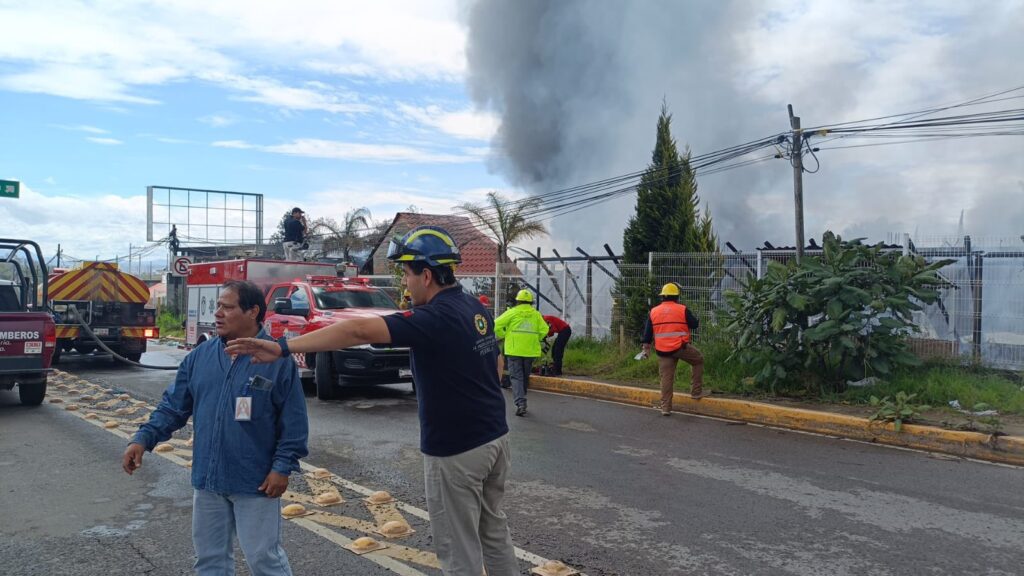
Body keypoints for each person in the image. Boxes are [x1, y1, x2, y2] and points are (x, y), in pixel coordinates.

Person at [224, 225, 519, 576]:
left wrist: (283, 347)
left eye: (407, 275)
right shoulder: (473, 306)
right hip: (495, 439)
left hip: (457, 449)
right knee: (493, 530)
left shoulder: (434, 317)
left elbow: (358, 331)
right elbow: (496, 363)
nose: (405, 284)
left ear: (426, 275)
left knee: (458, 550)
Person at [122, 280, 309, 575]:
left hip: (255, 482)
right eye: (218, 306)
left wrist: (282, 467)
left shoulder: (276, 361)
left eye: (227, 307)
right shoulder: (200, 357)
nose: (218, 313)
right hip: (208, 479)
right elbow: (174, 406)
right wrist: (143, 438)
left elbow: (294, 422)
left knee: (263, 559)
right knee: (209, 561)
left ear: (253, 312)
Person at [639, 282, 704, 416]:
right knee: (698, 360)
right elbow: (694, 324)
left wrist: (646, 348)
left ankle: (666, 408)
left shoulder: (654, 311)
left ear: (663, 296)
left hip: (662, 350)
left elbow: (647, 334)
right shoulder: (682, 309)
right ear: (677, 297)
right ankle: (696, 392)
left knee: (666, 378)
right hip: (680, 347)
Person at [494, 290, 547, 417]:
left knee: (516, 377)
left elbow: (496, 324)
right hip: (530, 350)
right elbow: (544, 329)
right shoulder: (536, 315)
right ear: (531, 302)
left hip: (513, 350)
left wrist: (503, 334)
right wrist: (537, 338)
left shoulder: (512, 312)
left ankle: (520, 403)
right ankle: (521, 398)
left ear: (517, 301)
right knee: (524, 375)